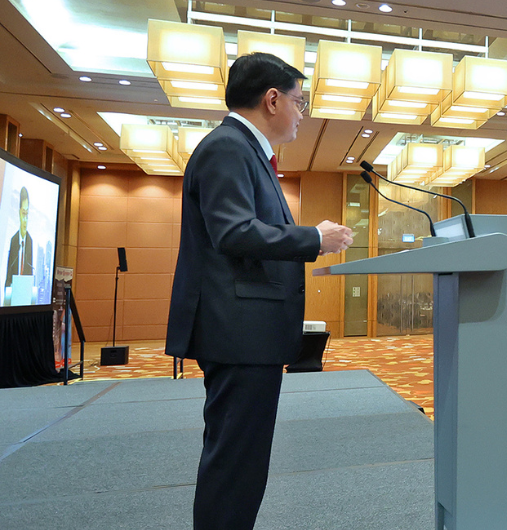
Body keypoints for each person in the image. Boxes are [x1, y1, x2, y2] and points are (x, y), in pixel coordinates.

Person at [165, 52, 355, 530]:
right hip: (238, 332)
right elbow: (233, 232)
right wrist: (314, 238)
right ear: (272, 100)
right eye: (299, 102)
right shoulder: (228, 147)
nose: (300, 114)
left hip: (247, 332)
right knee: (235, 463)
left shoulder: (245, 151)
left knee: (239, 461)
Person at [4, 187, 33, 299]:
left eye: (27, 214)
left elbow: (29, 272)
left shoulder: (30, 241)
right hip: (12, 296)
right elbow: (8, 275)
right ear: (19, 213)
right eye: (23, 213)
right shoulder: (13, 240)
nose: (25, 219)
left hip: (25, 296)